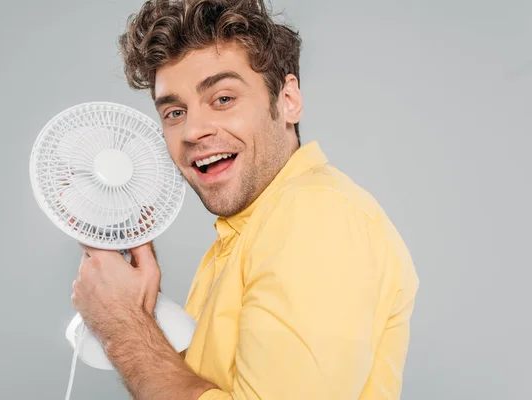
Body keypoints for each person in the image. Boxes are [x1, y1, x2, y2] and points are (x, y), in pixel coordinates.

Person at [71, 0, 420, 399]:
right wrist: (140, 308)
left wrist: (123, 324)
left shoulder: (316, 217)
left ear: (287, 100)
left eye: (222, 99)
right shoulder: (243, 234)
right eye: (174, 112)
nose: (193, 131)